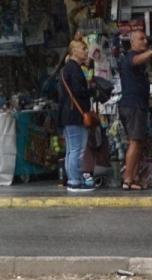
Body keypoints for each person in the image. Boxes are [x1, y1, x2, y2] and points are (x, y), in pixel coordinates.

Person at [119, 30, 152, 191]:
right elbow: (136, 60)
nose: (145, 41)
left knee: (139, 142)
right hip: (133, 106)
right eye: (141, 39)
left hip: (137, 105)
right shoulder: (131, 57)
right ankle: (128, 179)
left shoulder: (135, 60)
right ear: (132, 42)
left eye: (146, 39)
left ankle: (135, 177)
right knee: (135, 142)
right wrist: (151, 52)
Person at [59, 39, 95, 193]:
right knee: (77, 149)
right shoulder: (74, 70)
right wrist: (92, 91)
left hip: (67, 114)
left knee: (71, 149)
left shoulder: (66, 69)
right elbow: (79, 92)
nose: (86, 52)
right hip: (75, 115)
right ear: (74, 51)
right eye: (83, 49)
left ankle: (73, 179)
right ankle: (75, 180)